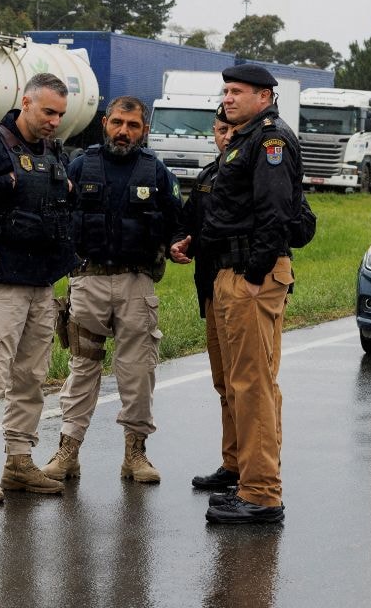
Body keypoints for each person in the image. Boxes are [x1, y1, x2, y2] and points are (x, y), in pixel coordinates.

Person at [41, 96, 182, 484]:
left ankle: (135, 454)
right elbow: (56, 214)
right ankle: (67, 452)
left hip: (137, 283)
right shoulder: (79, 165)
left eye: (133, 125)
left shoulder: (156, 172)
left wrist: (177, 243)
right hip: (87, 281)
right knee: (82, 368)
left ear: (145, 129)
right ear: (105, 122)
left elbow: (177, 221)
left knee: (138, 372)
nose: (124, 131)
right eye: (118, 122)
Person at [0, 73, 76, 502]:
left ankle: (19, 461)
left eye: (60, 114)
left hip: (42, 282)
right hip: (3, 279)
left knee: (31, 378)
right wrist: (4, 183)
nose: (54, 121)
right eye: (47, 112)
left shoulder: (52, 150)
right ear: (26, 102)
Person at [197, 63, 300, 525]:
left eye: (237, 91)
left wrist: (256, 274)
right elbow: (231, 209)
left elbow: (275, 212)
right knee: (238, 382)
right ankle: (244, 476)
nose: (229, 97)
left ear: (265, 97)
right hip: (228, 270)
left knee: (253, 385)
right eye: (226, 91)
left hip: (249, 276)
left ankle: (261, 494)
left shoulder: (270, 140)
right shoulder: (244, 138)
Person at [169, 106, 238, 494]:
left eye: (233, 129)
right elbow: (189, 220)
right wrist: (180, 241)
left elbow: (299, 222)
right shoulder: (209, 175)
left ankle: (255, 472)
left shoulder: (258, 169)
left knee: (247, 384)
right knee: (224, 383)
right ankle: (233, 464)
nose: (227, 136)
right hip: (212, 289)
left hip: (246, 285)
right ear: (213, 132)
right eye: (221, 129)